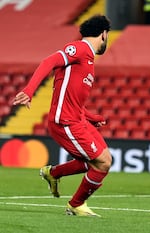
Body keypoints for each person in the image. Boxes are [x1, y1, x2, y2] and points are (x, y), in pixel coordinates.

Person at [13, 15, 112, 217]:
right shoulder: (80, 49)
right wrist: (30, 90)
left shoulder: (89, 59)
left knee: (102, 159)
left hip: (78, 120)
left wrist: (91, 117)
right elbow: (49, 61)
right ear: (103, 34)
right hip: (65, 122)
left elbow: (72, 99)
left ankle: (53, 173)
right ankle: (75, 205)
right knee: (101, 162)